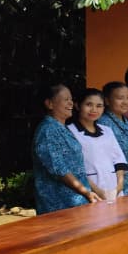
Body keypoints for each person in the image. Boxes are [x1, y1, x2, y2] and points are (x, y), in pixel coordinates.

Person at [33, 84, 99, 214]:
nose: (71, 103)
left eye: (71, 99)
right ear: (50, 104)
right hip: (59, 204)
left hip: (76, 202)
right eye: (66, 99)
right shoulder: (48, 130)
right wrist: (85, 192)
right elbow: (59, 168)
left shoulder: (61, 127)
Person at [68, 87, 126, 201]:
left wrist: (119, 187)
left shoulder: (107, 130)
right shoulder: (70, 132)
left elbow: (119, 160)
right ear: (78, 105)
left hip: (114, 190)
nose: (94, 110)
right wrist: (97, 191)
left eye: (99, 106)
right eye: (89, 104)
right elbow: (74, 168)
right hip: (90, 193)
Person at [99, 80, 128, 189]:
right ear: (107, 100)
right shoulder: (102, 123)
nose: (126, 102)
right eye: (120, 98)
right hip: (117, 185)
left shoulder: (127, 121)